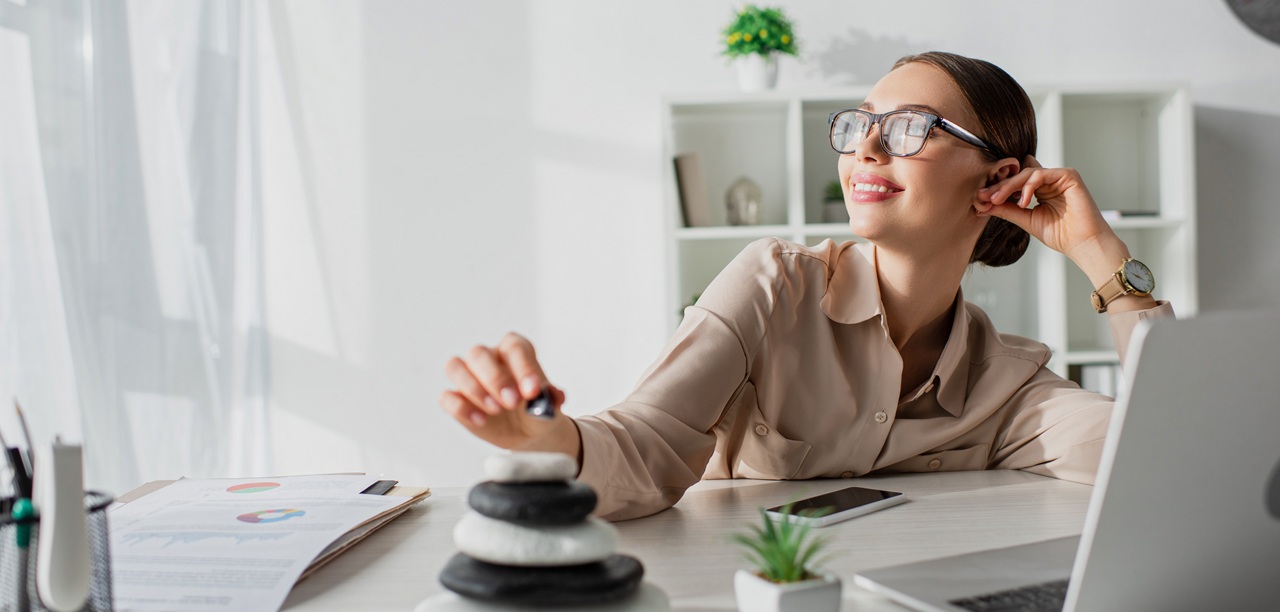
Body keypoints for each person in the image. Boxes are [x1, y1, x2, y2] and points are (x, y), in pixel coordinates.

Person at [439, 51, 1174, 521]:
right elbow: (642, 446)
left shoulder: (1008, 387)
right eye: (859, 124)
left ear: (999, 179)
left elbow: (1166, 450)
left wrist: (1100, 254)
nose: (868, 147)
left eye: (912, 126)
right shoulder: (770, 288)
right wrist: (546, 442)